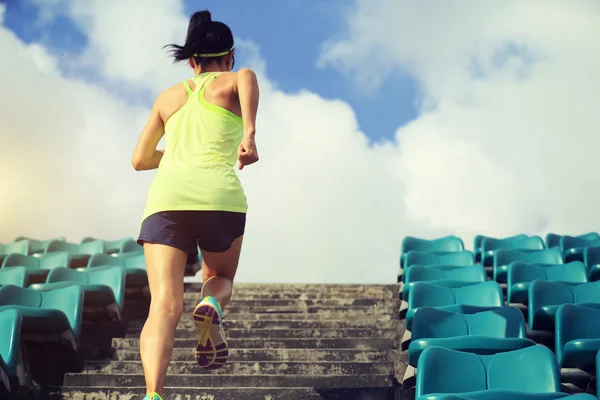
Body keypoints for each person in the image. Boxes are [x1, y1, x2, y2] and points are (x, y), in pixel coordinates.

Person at [131, 9, 259, 400]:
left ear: (192, 61)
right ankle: (210, 304)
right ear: (230, 56)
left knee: (163, 305)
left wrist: (177, 154)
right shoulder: (238, 78)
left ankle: (154, 393)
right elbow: (248, 80)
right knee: (218, 279)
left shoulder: (167, 98)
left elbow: (139, 160)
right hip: (218, 196)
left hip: (167, 198)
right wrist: (249, 136)